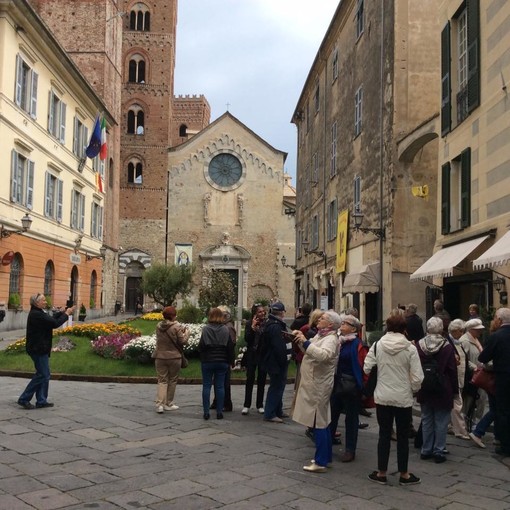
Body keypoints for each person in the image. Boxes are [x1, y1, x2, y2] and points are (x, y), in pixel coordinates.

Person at [364, 314, 423, 486]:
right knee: (403, 436)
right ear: (405, 329)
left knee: (384, 434)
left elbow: (367, 368)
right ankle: (404, 474)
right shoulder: (410, 349)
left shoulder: (377, 346)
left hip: (382, 396)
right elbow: (418, 377)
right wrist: (411, 389)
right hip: (402, 397)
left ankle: (381, 472)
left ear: (387, 327)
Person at [292, 310, 342, 472]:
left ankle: (320, 461)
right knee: (322, 420)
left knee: (319, 421)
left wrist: (306, 342)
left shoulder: (330, 339)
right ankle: (325, 456)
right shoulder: (321, 335)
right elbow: (308, 350)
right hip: (315, 383)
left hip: (319, 385)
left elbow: (323, 355)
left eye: (323, 318)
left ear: (331, 324)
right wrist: (300, 340)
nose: (319, 319)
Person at [18, 294, 74, 409]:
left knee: (44, 374)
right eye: (43, 300)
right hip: (38, 348)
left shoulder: (39, 312)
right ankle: (24, 398)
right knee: (43, 374)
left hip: (40, 347)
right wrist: (67, 314)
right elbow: (54, 323)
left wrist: (61, 312)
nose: (45, 302)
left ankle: (42, 400)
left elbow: (50, 319)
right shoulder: (36, 315)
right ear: (37, 303)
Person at [416, 317, 458, 463]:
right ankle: (438, 449)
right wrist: (455, 390)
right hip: (442, 386)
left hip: (425, 385)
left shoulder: (419, 345)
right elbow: (452, 370)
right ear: (441, 329)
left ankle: (426, 449)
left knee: (427, 418)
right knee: (441, 420)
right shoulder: (447, 346)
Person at [329, 314, 366, 462]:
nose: (341, 325)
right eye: (342, 322)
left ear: (353, 328)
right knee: (332, 415)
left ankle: (350, 449)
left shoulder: (357, 344)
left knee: (351, 418)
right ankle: (327, 443)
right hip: (337, 383)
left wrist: (362, 388)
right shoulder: (339, 341)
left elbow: (362, 366)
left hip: (351, 385)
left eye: (345, 323)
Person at [478, 308, 510, 456]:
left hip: (503, 378)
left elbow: (483, 358)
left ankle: (505, 445)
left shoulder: (496, 337)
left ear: (499, 320)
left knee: (503, 411)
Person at [198, 307, 235, 420]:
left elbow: (201, 346)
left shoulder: (206, 329)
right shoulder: (225, 329)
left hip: (208, 360)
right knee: (220, 386)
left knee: (207, 386)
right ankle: (219, 412)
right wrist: (231, 361)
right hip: (222, 360)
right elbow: (230, 347)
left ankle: (206, 412)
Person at [152, 306, 189, 414]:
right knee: (172, 380)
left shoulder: (158, 326)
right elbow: (182, 341)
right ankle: (168, 403)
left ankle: (159, 405)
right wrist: (187, 333)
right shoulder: (177, 327)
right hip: (174, 357)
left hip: (160, 356)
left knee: (162, 380)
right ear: (173, 316)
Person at [260, 301, 293, 423]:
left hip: (275, 361)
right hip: (276, 362)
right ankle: (270, 413)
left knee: (279, 386)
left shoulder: (274, 324)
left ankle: (277, 410)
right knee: (276, 386)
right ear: (282, 312)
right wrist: (283, 359)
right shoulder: (275, 326)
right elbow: (278, 346)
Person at [242, 303, 267, 415]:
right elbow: (247, 339)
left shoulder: (266, 324)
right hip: (252, 354)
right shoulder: (249, 323)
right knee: (250, 379)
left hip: (262, 354)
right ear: (255, 313)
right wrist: (252, 327)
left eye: (263, 311)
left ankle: (260, 404)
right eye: (259, 312)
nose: (262, 313)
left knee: (262, 379)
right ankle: (246, 404)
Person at [461, 318, 486, 431]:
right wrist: (474, 367)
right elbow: (464, 359)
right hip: (472, 375)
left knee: (481, 398)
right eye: (478, 329)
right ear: (471, 330)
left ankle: (475, 421)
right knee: (470, 399)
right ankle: (466, 422)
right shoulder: (465, 341)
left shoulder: (475, 339)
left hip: (480, 374)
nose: (480, 331)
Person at [210, 305, 237, 412]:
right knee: (217, 381)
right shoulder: (222, 326)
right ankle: (217, 401)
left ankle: (227, 403)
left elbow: (232, 344)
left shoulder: (228, 327)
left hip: (224, 358)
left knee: (224, 383)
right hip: (219, 357)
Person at [447, 319, 470, 439]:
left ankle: (450, 426)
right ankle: (461, 430)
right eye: (461, 331)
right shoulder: (449, 342)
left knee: (453, 405)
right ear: (455, 331)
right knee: (457, 405)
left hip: (460, 378)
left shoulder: (458, 342)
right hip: (453, 379)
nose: (462, 333)